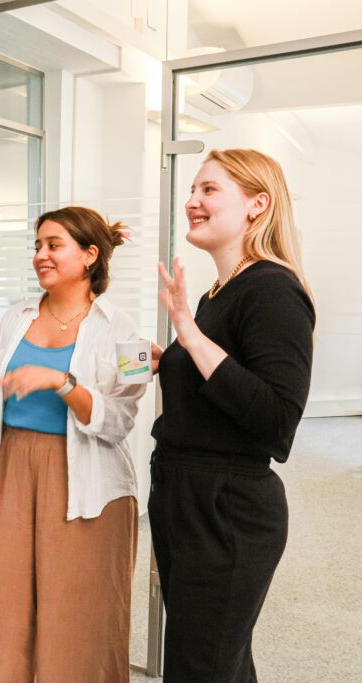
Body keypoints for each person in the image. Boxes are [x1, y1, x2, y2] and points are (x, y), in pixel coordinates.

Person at [0, 206, 146, 683]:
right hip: (12, 469)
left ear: (89, 255)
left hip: (89, 482)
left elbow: (120, 421)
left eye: (53, 245)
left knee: (77, 616)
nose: (41, 255)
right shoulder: (13, 318)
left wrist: (61, 382)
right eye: (37, 245)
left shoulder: (123, 329)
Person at [150, 148, 315, 682]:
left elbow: (276, 418)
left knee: (203, 665)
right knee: (214, 659)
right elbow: (218, 387)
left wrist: (189, 336)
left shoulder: (273, 287)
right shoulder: (216, 292)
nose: (192, 201)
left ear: (256, 204)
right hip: (183, 492)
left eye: (209, 189)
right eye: (192, 190)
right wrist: (170, 360)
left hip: (228, 508)